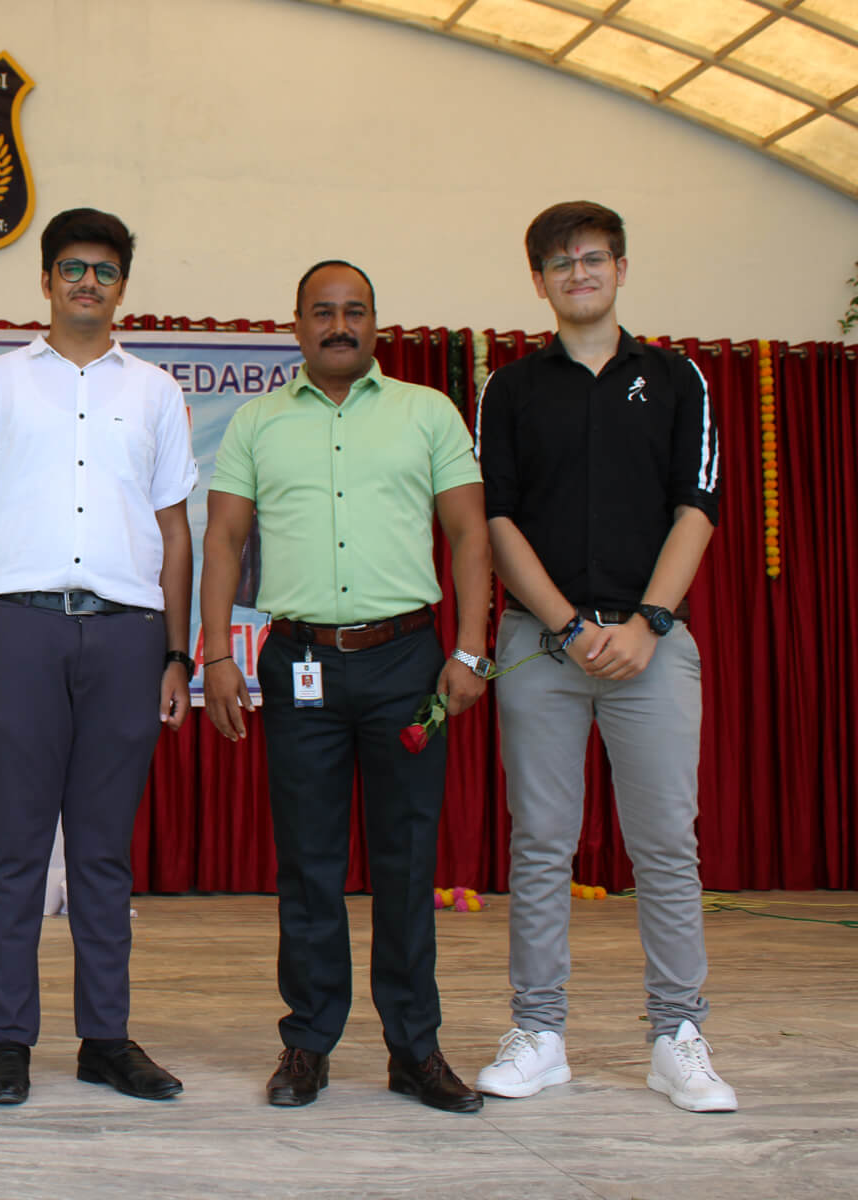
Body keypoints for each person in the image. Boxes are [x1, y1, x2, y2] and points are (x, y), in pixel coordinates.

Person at [200, 260, 491, 1113]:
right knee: (309, 863)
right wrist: (216, 656)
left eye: (354, 311)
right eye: (322, 312)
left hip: (408, 664)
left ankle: (415, 1049)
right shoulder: (256, 422)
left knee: (406, 861)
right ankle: (308, 1043)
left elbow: (470, 533)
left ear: (375, 323)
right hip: (301, 664)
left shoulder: (426, 413)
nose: (339, 325)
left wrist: (471, 651)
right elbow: (222, 542)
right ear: (296, 326)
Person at [473, 201, 734, 1112]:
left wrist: (648, 622)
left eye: (593, 258)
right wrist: (568, 627)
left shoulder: (677, 378)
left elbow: (697, 505)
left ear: (620, 268)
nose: (577, 273)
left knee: (664, 845)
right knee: (542, 843)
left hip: (651, 646)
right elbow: (496, 517)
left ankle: (678, 1035)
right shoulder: (509, 388)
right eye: (559, 262)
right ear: (538, 281)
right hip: (540, 646)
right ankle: (539, 1034)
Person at [0, 207, 195, 1106]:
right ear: (45, 280)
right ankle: (7, 1039)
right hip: (17, 631)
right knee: (13, 848)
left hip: (128, 636)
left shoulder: (155, 392)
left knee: (102, 853)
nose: (89, 282)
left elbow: (175, 532)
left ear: (123, 286)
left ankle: (105, 1039)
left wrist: (178, 654)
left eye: (105, 270)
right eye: (73, 268)